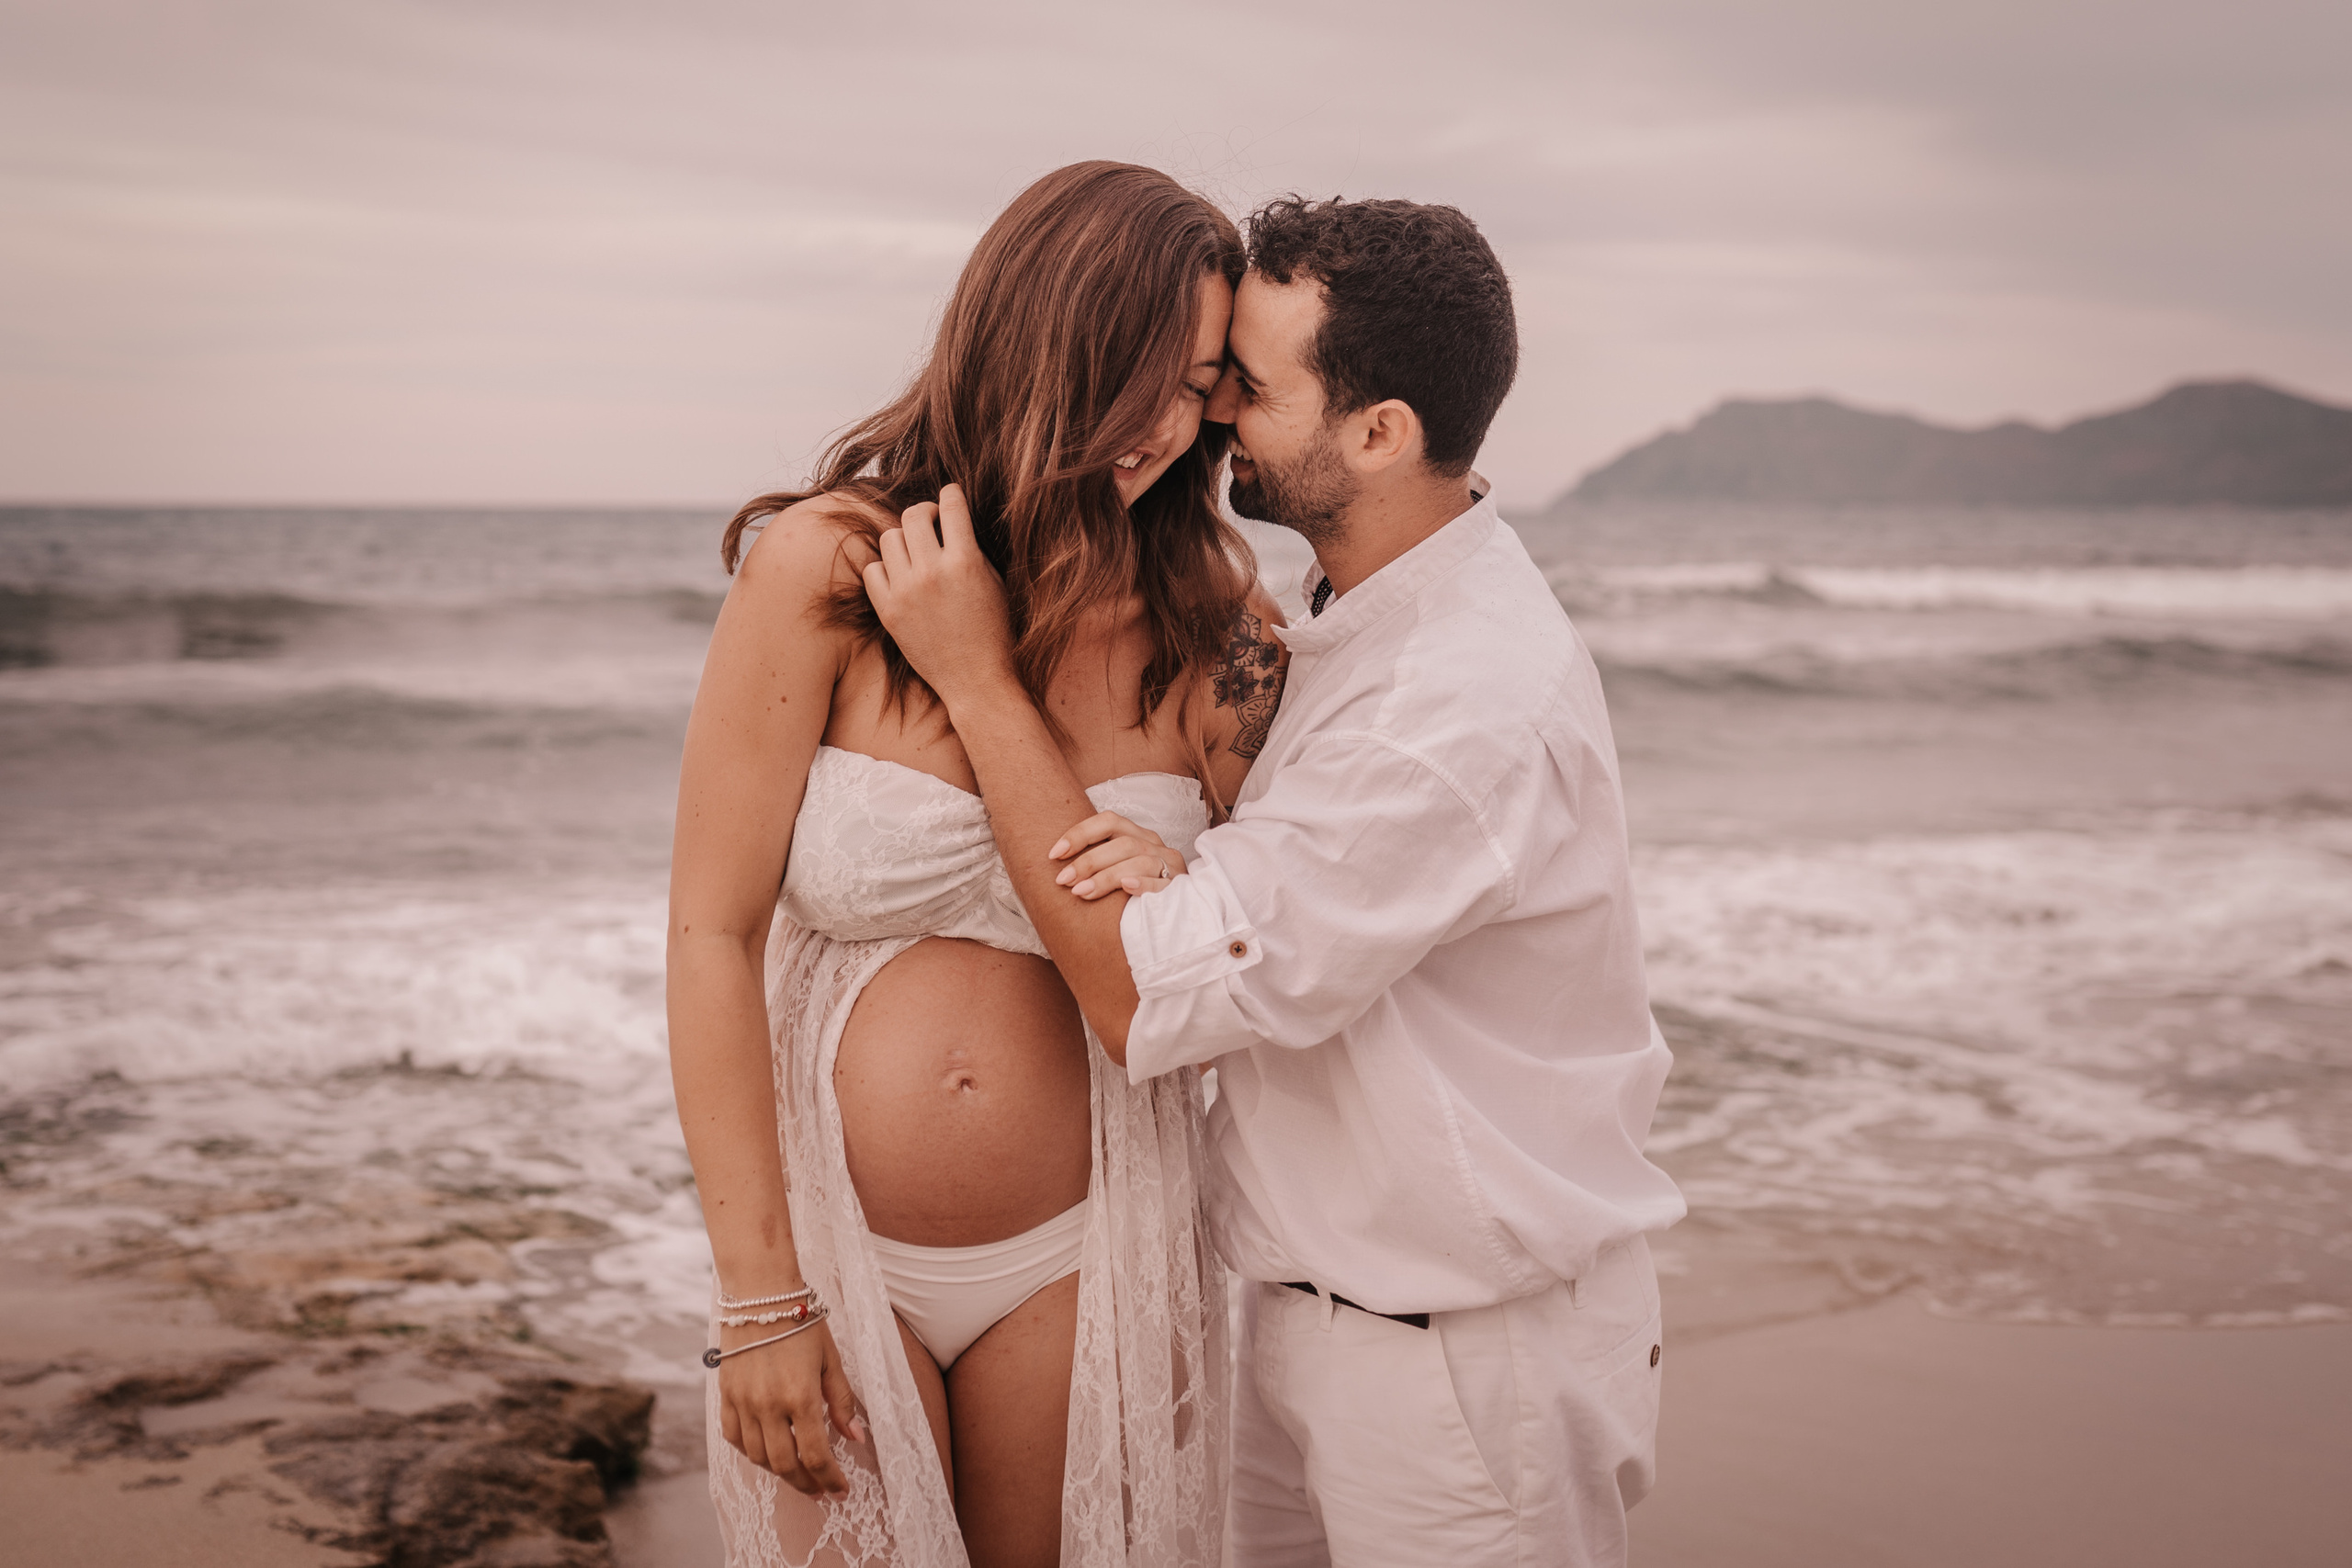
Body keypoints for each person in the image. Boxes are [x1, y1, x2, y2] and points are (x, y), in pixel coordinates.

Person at [860, 195, 1687, 1567]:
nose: (1213, 416)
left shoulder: (1458, 703)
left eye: (1250, 385)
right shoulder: (1342, 613)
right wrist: (1198, 868)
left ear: (1380, 432)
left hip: (1455, 1373)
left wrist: (971, 675)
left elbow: (1140, 993)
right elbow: (1320, 909)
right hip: (1312, 1321)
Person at [666, 161, 1289, 1568]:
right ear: (1044, 334)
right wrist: (759, 1297)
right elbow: (710, 935)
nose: (1166, 426)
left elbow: (1274, 953)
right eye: (1140, 374)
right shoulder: (832, 569)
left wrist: (1189, 891)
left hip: (1098, 1254)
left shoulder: (1216, 620)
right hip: (831, 1250)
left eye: (1199, 386)